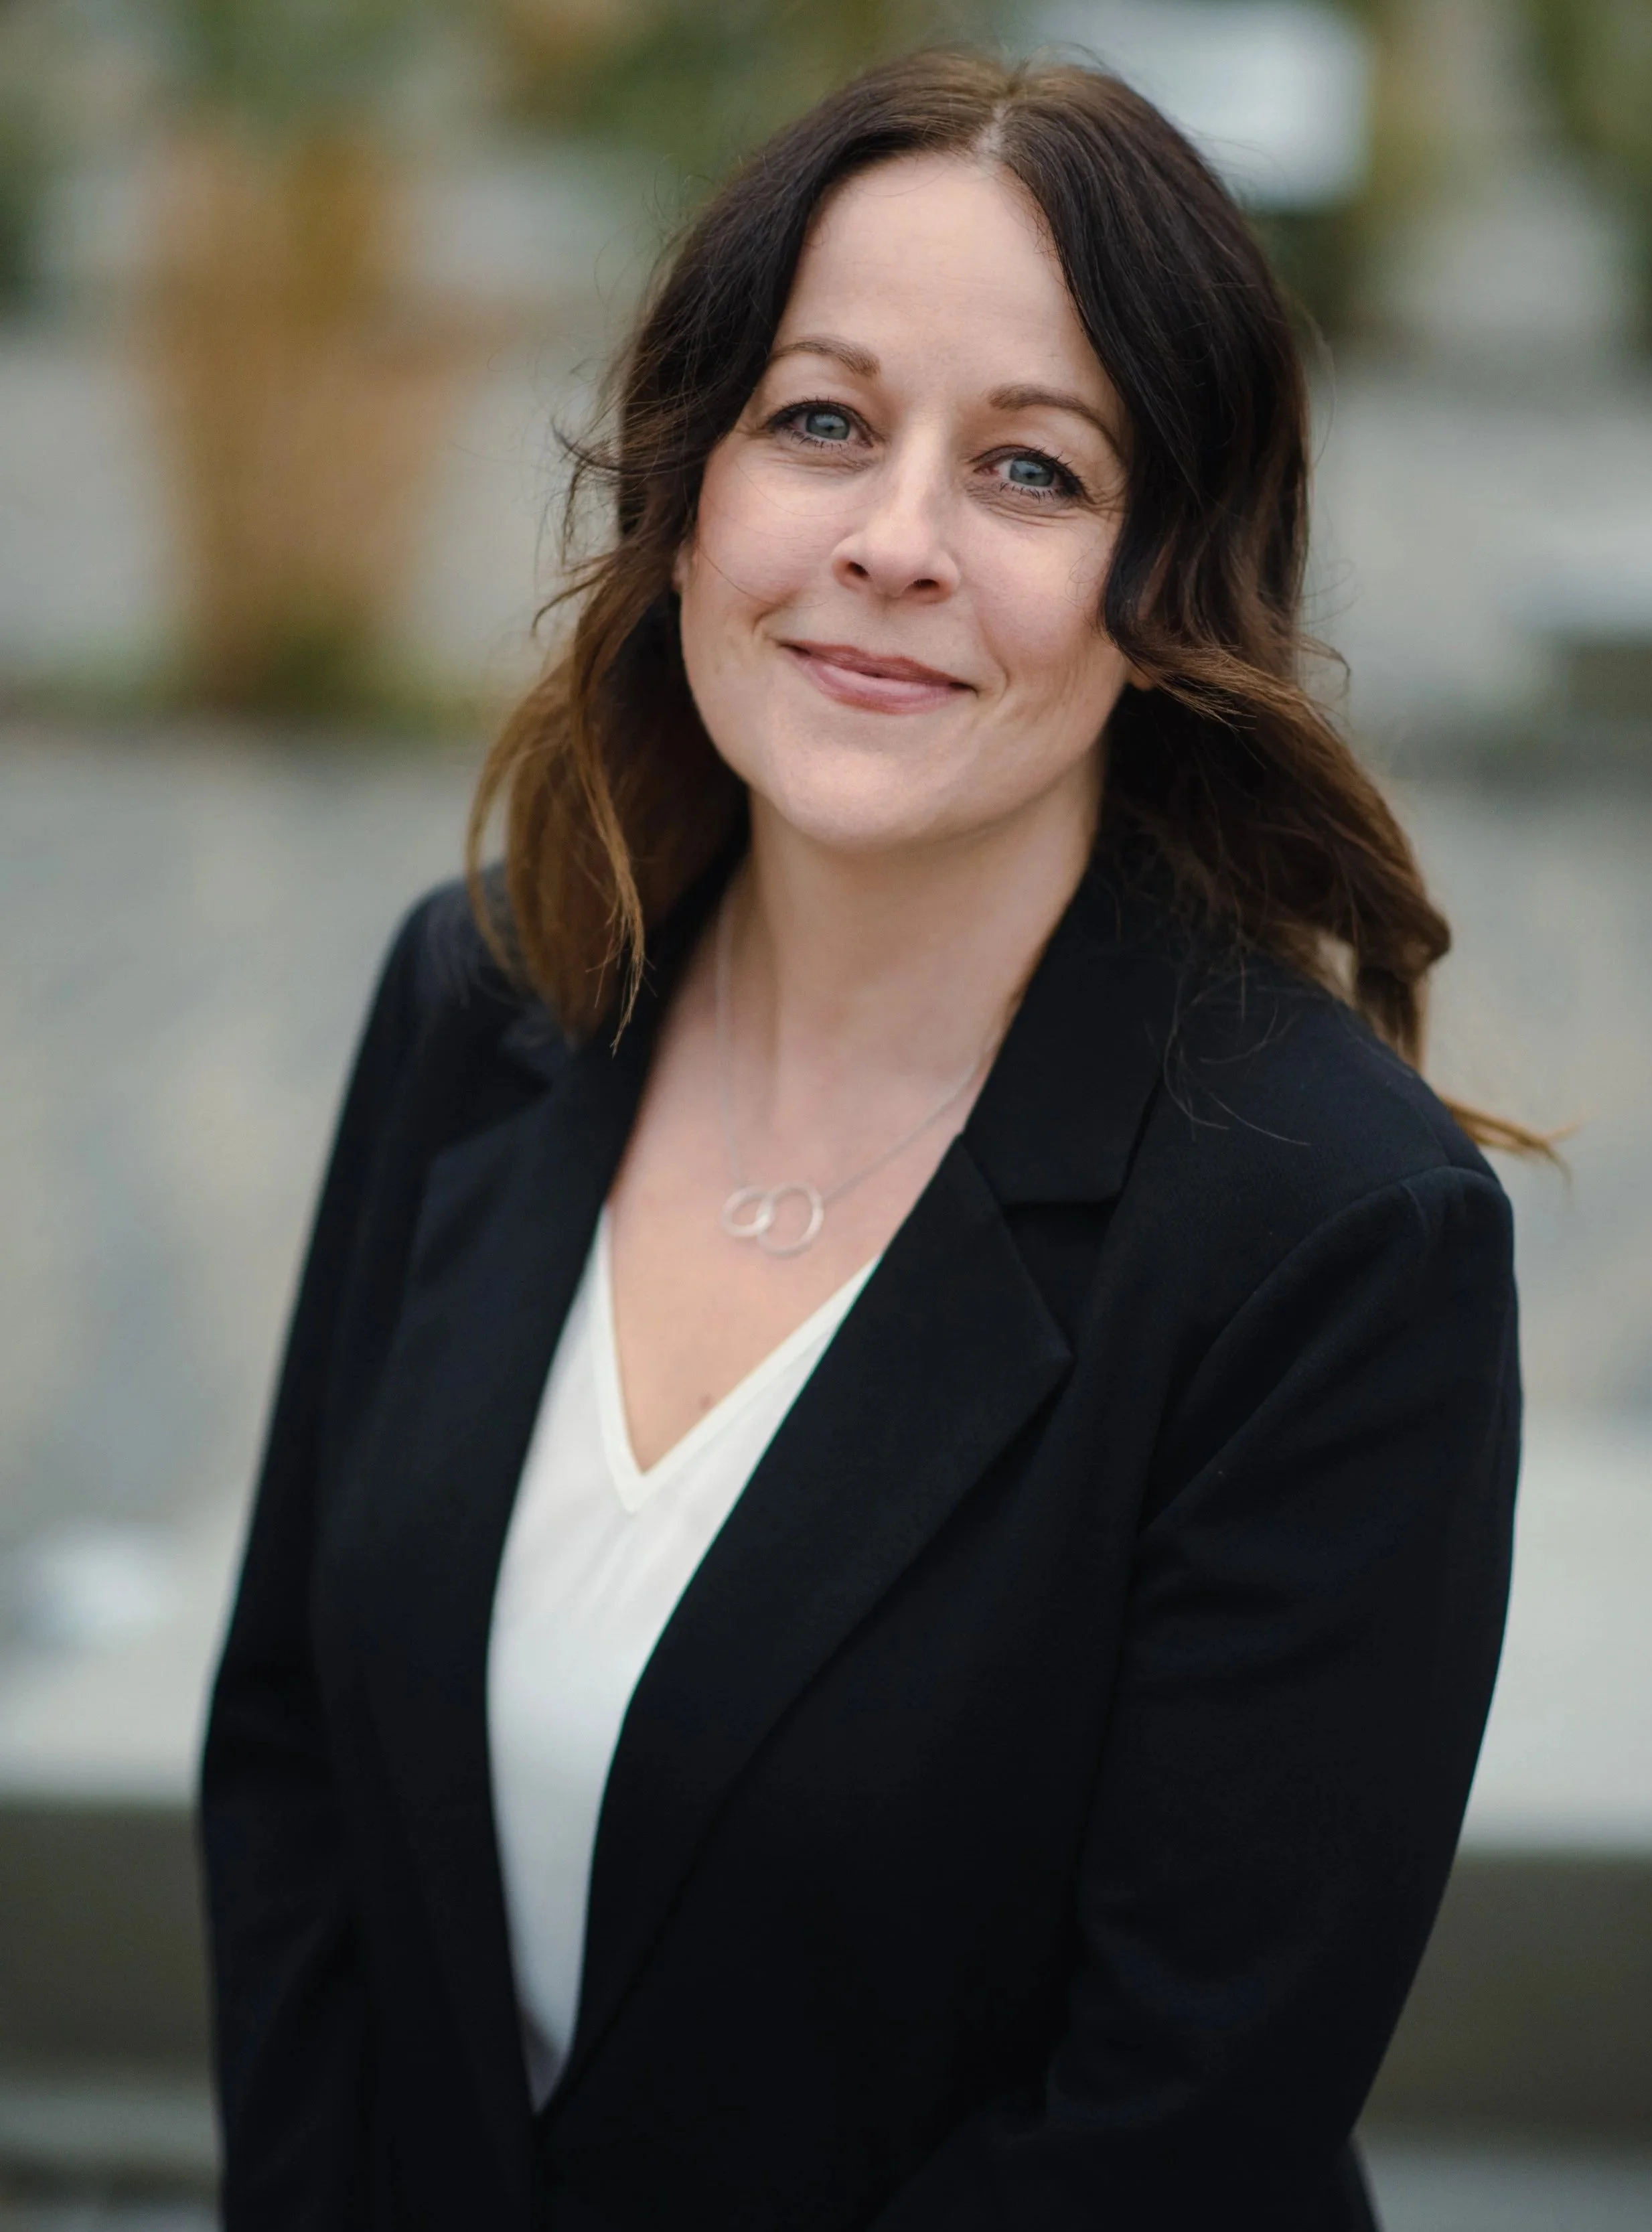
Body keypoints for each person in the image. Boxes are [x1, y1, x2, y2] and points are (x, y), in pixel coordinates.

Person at [201, 49, 1531, 2232]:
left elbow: (1173, 2117)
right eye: (820, 421)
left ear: (1166, 585)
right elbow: (291, 1780)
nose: (892, 544)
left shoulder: (1331, 1237)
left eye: (1029, 469)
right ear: (690, 489)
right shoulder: (487, 996)